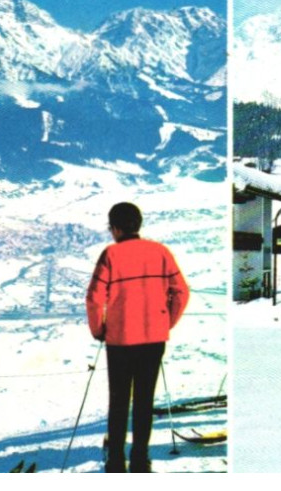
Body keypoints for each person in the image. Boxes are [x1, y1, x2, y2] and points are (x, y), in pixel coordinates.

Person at [86, 202, 190, 473]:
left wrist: (99, 330)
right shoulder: (161, 252)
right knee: (145, 400)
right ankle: (141, 460)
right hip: (153, 339)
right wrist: (166, 322)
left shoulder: (111, 255)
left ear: (116, 228)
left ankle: (116, 461)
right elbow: (181, 292)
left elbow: (94, 298)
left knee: (119, 401)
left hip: (120, 341)